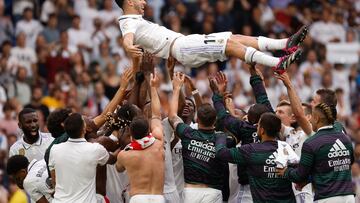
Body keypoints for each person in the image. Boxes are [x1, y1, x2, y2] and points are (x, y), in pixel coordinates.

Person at [115, 0, 307, 74]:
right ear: (129, 1)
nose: (144, 1)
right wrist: (128, 46)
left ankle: (285, 43)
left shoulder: (134, 19)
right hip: (181, 46)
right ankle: (277, 63)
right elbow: (127, 37)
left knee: (235, 38)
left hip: (183, 44)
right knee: (230, 45)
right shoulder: (127, 20)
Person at [277, 103, 354, 203]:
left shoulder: (311, 143)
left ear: (317, 118)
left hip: (327, 198)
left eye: (311, 117)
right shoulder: (345, 138)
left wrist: (286, 171)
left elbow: (300, 175)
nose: (309, 120)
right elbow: (350, 162)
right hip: (349, 197)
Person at [168, 72, 227, 203]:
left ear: (197, 118)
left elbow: (172, 115)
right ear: (215, 120)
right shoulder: (221, 137)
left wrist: (177, 88)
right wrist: (217, 94)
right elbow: (219, 117)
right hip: (213, 193)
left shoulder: (187, 133)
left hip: (190, 193)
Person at [216, 112, 297, 203]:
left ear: (262, 130)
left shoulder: (251, 150)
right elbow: (300, 173)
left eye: (258, 126)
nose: (256, 128)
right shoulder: (286, 147)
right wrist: (288, 172)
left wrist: (220, 136)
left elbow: (221, 153)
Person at [115, 72, 165, 203]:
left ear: (130, 134)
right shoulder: (159, 144)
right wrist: (153, 88)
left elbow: (119, 168)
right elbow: (156, 115)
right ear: (148, 130)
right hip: (159, 198)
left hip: (138, 198)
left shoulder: (125, 155)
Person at [48, 113, 118, 203]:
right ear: (84, 129)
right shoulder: (95, 149)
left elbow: (54, 180)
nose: (90, 118)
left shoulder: (55, 149)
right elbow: (113, 160)